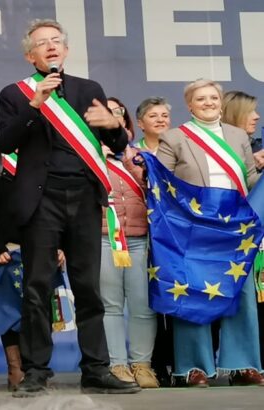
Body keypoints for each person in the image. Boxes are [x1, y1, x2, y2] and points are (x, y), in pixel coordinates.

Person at [0, 19, 139, 396]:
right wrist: (35, 103)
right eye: (42, 43)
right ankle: (36, 371)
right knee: (37, 287)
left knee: (88, 288)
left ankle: (96, 368)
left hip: (85, 198)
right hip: (41, 201)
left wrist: (113, 126)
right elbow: (6, 142)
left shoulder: (88, 88)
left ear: (66, 50)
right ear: (30, 55)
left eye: (56, 41)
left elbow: (118, 143)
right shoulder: (15, 93)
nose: (51, 47)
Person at [158, 79, 264, 387]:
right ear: (189, 105)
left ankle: (243, 364)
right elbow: (160, 182)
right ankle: (194, 367)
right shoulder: (175, 137)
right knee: (193, 293)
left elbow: (249, 180)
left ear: (221, 102)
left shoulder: (237, 135)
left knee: (240, 294)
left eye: (213, 97)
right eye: (201, 98)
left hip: (234, 228)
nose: (208, 102)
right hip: (194, 229)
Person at [97, 99, 158, 387]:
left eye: (118, 112)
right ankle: (117, 365)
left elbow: (153, 190)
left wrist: (127, 159)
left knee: (143, 305)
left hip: (139, 238)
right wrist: (99, 158)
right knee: (110, 305)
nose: (113, 117)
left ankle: (142, 365)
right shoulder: (86, 155)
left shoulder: (141, 155)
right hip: (103, 238)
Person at [222, 91, 264, 372]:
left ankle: (253, 362)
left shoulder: (258, 146)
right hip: (228, 237)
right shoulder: (222, 149)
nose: (257, 117)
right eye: (251, 112)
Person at [132, 97, 173, 386]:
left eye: (164, 115)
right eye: (152, 115)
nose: (160, 120)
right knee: (150, 302)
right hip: (144, 235)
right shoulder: (132, 155)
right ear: (140, 123)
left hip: (176, 236)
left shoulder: (182, 149)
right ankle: (155, 363)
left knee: (177, 298)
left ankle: (181, 362)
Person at [222, 91, 264, 168]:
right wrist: (252, 166)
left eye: (254, 111)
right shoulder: (214, 149)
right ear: (231, 115)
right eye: (248, 112)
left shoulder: (259, 148)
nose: (257, 116)